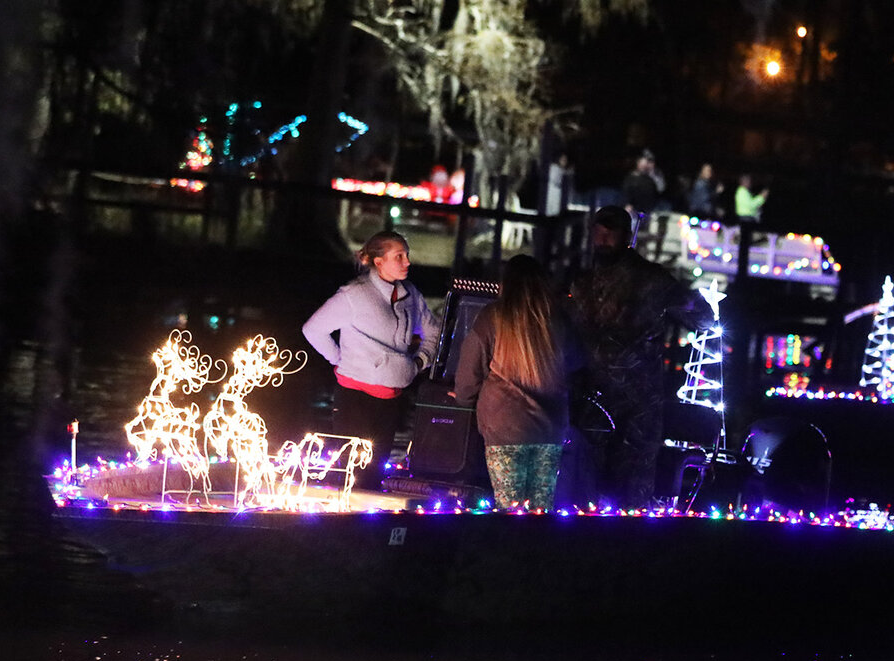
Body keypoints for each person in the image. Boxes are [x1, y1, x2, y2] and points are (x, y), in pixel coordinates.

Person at [567, 205, 710, 508]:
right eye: (600, 232)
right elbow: (702, 316)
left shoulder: (650, 280)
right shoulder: (581, 283)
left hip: (635, 400)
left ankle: (623, 542)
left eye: (611, 233)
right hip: (595, 397)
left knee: (628, 478)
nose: (604, 239)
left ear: (626, 236)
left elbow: (701, 316)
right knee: (594, 476)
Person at [302, 230, 442, 489]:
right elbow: (313, 329)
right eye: (399, 256)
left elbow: (434, 330)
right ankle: (342, 525)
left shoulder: (410, 295)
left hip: (392, 399)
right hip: (356, 399)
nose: (407, 262)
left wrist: (421, 361)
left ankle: (369, 526)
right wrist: (339, 359)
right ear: (379, 262)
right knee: (351, 475)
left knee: (375, 474)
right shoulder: (354, 295)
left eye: (406, 255)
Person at [453, 255, 578, 510]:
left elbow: (470, 369)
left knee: (509, 508)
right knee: (541, 509)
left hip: (505, 426)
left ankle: (508, 549)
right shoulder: (558, 321)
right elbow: (576, 366)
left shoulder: (492, 317)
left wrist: (464, 398)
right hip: (550, 429)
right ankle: (538, 549)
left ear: (506, 283)